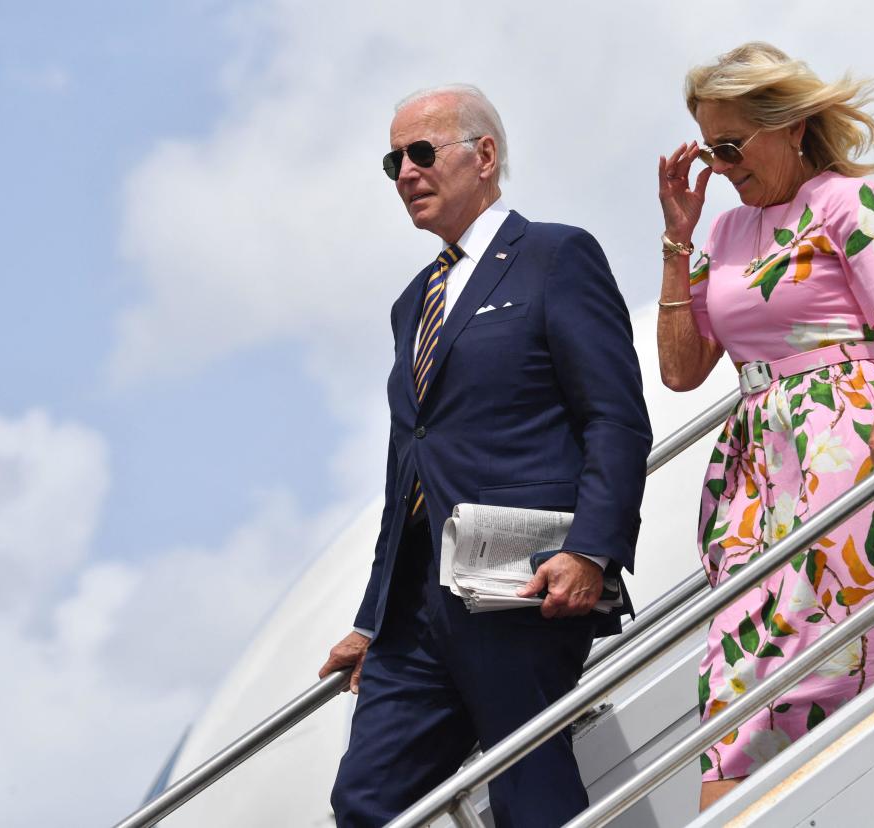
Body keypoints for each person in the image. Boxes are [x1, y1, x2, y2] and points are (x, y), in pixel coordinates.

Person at [654, 43, 874, 809]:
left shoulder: (849, 202)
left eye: (731, 146)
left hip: (853, 451)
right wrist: (680, 236)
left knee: (842, 665)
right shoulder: (724, 233)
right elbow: (681, 371)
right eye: (710, 150)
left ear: (791, 126)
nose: (722, 164)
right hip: (761, 475)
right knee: (737, 691)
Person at [319, 84, 651, 827]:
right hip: (416, 606)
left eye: (423, 152)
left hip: (521, 584)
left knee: (528, 789)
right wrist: (373, 619)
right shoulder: (414, 301)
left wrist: (591, 550)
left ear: (485, 155)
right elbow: (409, 461)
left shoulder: (555, 256)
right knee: (367, 800)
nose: (405, 172)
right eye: (393, 159)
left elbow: (615, 418)